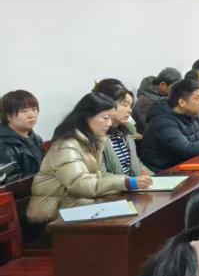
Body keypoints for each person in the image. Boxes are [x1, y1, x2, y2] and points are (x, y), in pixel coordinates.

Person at [29, 93, 152, 224]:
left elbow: (97, 178)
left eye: (110, 118)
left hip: (77, 206)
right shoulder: (66, 145)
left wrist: (129, 182)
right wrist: (126, 182)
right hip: (55, 216)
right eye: (105, 118)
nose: (109, 123)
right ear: (87, 117)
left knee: (138, 213)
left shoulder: (91, 142)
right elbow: (81, 185)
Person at [93, 80, 149, 179]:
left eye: (130, 106)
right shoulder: (95, 137)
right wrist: (130, 183)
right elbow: (100, 176)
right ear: (107, 104)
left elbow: (137, 164)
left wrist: (155, 178)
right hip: (120, 187)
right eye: (125, 105)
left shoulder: (126, 132)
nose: (130, 110)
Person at [0, 90, 44, 182]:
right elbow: (12, 184)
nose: (31, 115)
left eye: (34, 109)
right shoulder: (3, 145)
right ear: (8, 116)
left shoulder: (36, 139)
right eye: (24, 111)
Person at [132, 67, 181, 131]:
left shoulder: (164, 98)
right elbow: (153, 127)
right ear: (163, 84)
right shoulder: (146, 102)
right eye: (175, 87)